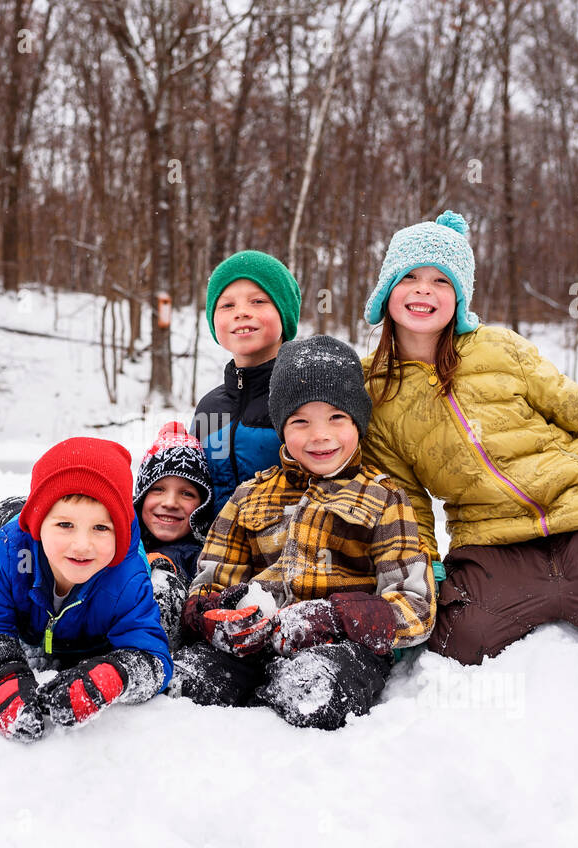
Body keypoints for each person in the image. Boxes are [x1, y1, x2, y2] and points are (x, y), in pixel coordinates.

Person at [360, 210, 578, 666]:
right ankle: (560, 598)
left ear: (460, 296)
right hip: (494, 542)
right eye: (409, 276)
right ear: (387, 289)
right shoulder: (377, 388)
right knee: (457, 643)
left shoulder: (500, 349)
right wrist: (423, 563)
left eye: (441, 281)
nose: (424, 290)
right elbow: (403, 494)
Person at [174, 335, 436, 730]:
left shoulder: (384, 498)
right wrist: (216, 616)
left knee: (315, 695)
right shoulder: (250, 495)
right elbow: (210, 583)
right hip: (254, 642)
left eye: (336, 418)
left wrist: (334, 617)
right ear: (281, 427)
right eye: (300, 421)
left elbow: (415, 607)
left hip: (342, 647)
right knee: (184, 686)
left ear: (357, 423)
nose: (320, 435)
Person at [0, 437, 171, 742]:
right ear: (38, 524)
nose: (82, 545)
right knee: (5, 515)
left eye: (101, 528)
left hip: (92, 625)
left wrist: (113, 675)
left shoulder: (125, 578)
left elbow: (152, 653)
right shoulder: (7, 552)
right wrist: (6, 675)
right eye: (65, 525)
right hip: (19, 527)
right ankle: (11, 510)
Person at [191, 250, 301, 516]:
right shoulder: (209, 407)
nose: (241, 312)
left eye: (258, 301)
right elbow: (194, 490)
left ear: (284, 313)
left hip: (290, 552)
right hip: (215, 552)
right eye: (227, 305)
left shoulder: (304, 394)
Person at [132, 421, 215, 648]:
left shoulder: (200, 556)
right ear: (141, 497)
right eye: (157, 489)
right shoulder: (123, 541)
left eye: (186, 493)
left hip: (166, 646)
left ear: (202, 506)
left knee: (160, 581)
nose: (169, 503)